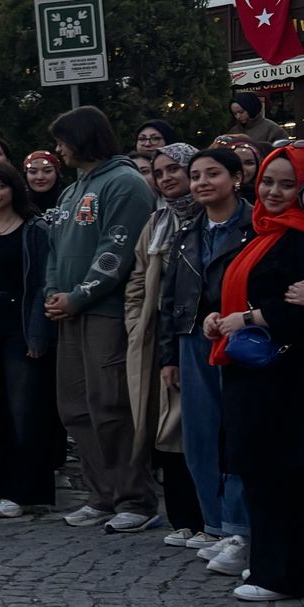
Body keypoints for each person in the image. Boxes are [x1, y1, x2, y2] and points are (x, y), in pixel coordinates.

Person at [43, 106, 157, 531]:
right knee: (73, 407)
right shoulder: (73, 190)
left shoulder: (125, 183)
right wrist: (54, 293)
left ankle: (136, 499)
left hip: (105, 313)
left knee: (111, 406)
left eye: (62, 141)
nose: (58, 150)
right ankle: (102, 493)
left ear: (84, 138)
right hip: (70, 313)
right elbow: (55, 247)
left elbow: (117, 251)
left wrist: (80, 296)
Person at [207, 147, 304, 602]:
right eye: (269, 182)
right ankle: (266, 563)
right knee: (256, 468)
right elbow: (242, 293)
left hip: (284, 375)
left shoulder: (298, 238)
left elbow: (295, 311)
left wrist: (245, 320)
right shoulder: (262, 231)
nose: (274, 191)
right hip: (250, 368)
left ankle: (281, 573)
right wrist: (219, 319)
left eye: (288, 184)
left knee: (278, 470)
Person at [161, 146, 252, 575]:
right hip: (192, 338)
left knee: (236, 434)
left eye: (211, 174)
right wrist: (168, 355)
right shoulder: (188, 231)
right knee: (198, 436)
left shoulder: (254, 227)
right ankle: (214, 525)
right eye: (195, 175)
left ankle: (241, 528)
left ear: (235, 178)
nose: (201, 183)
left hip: (239, 337)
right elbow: (170, 297)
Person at [0, 163, 54, 518]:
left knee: (22, 407)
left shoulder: (35, 230)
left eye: (1, 185)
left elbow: (43, 283)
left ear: (14, 188)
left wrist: (38, 332)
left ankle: (22, 491)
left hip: (19, 321)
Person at [125, 143, 201, 541]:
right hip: (158, 335)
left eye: (175, 168)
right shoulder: (157, 222)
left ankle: (212, 520)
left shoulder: (207, 216)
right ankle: (182, 517)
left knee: (197, 426)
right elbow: (138, 278)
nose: (167, 176)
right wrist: (137, 323)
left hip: (198, 333)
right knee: (166, 427)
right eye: (159, 171)